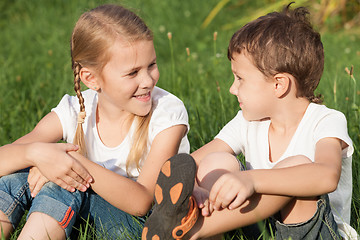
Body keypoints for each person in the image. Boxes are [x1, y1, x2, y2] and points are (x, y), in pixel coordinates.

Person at [142, 3, 357, 240]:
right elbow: (187, 166)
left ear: (279, 85)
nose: (232, 89)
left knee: (297, 164)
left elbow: (326, 176)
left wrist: (251, 179)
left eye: (240, 79)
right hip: (260, 225)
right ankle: (191, 222)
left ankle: (191, 232)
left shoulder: (326, 120)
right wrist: (193, 187)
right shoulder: (248, 121)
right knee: (217, 162)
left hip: (314, 232)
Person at [0, 4, 190, 240]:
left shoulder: (167, 113)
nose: (148, 80)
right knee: (12, 181)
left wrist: (69, 163)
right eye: (132, 73)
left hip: (140, 224)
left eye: (151, 65)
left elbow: (142, 201)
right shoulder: (75, 110)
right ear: (91, 78)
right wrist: (37, 155)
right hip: (83, 209)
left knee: (64, 182)